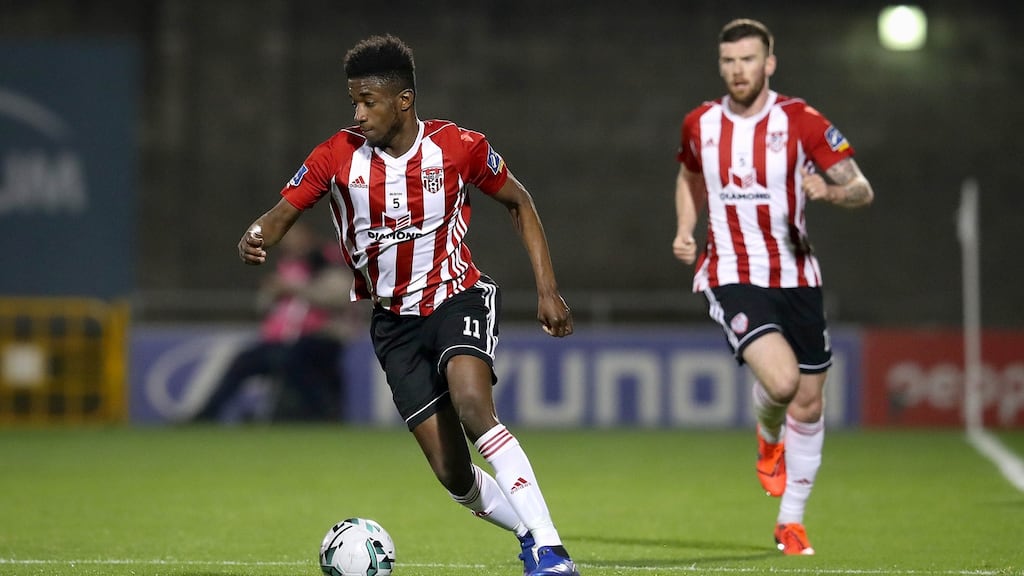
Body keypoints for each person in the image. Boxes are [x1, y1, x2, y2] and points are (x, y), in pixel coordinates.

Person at [237, 34, 580, 576]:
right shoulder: (336, 155)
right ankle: (528, 533)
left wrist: (547, 289)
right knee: (453, 475)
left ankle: (551, 550)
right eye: (353, 101)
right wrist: (255, 236)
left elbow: (519, 201)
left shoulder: (458, 146)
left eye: (367, 101)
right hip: (393, 324)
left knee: (474, 405)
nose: (358, 113)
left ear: (403, 100)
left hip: (456, 296)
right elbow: (280, 215)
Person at [671, 19, 874, 556]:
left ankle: (791, 522)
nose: (738, 70)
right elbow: (689, 175)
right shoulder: (700, 123)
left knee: (809, 403)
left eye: (748, 59)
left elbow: (861, 187)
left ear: (769, 64)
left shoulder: (801, 121)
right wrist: (686, 228)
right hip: (732, 271)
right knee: (783, 384)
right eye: (729, 61)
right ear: (720, 66)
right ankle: (768, 434)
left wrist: (831, 192)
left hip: (798, 276)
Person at [195, 220, 358, 422]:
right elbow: (263, 308)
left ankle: (322, 413)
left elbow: (339, 297)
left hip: (322, 338)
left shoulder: (327, 262)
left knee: (293, 361)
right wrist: (272, 293)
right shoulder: (286, 267)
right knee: (244, 361)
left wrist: (296, 289)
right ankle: (207, 415)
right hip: (284, 340)